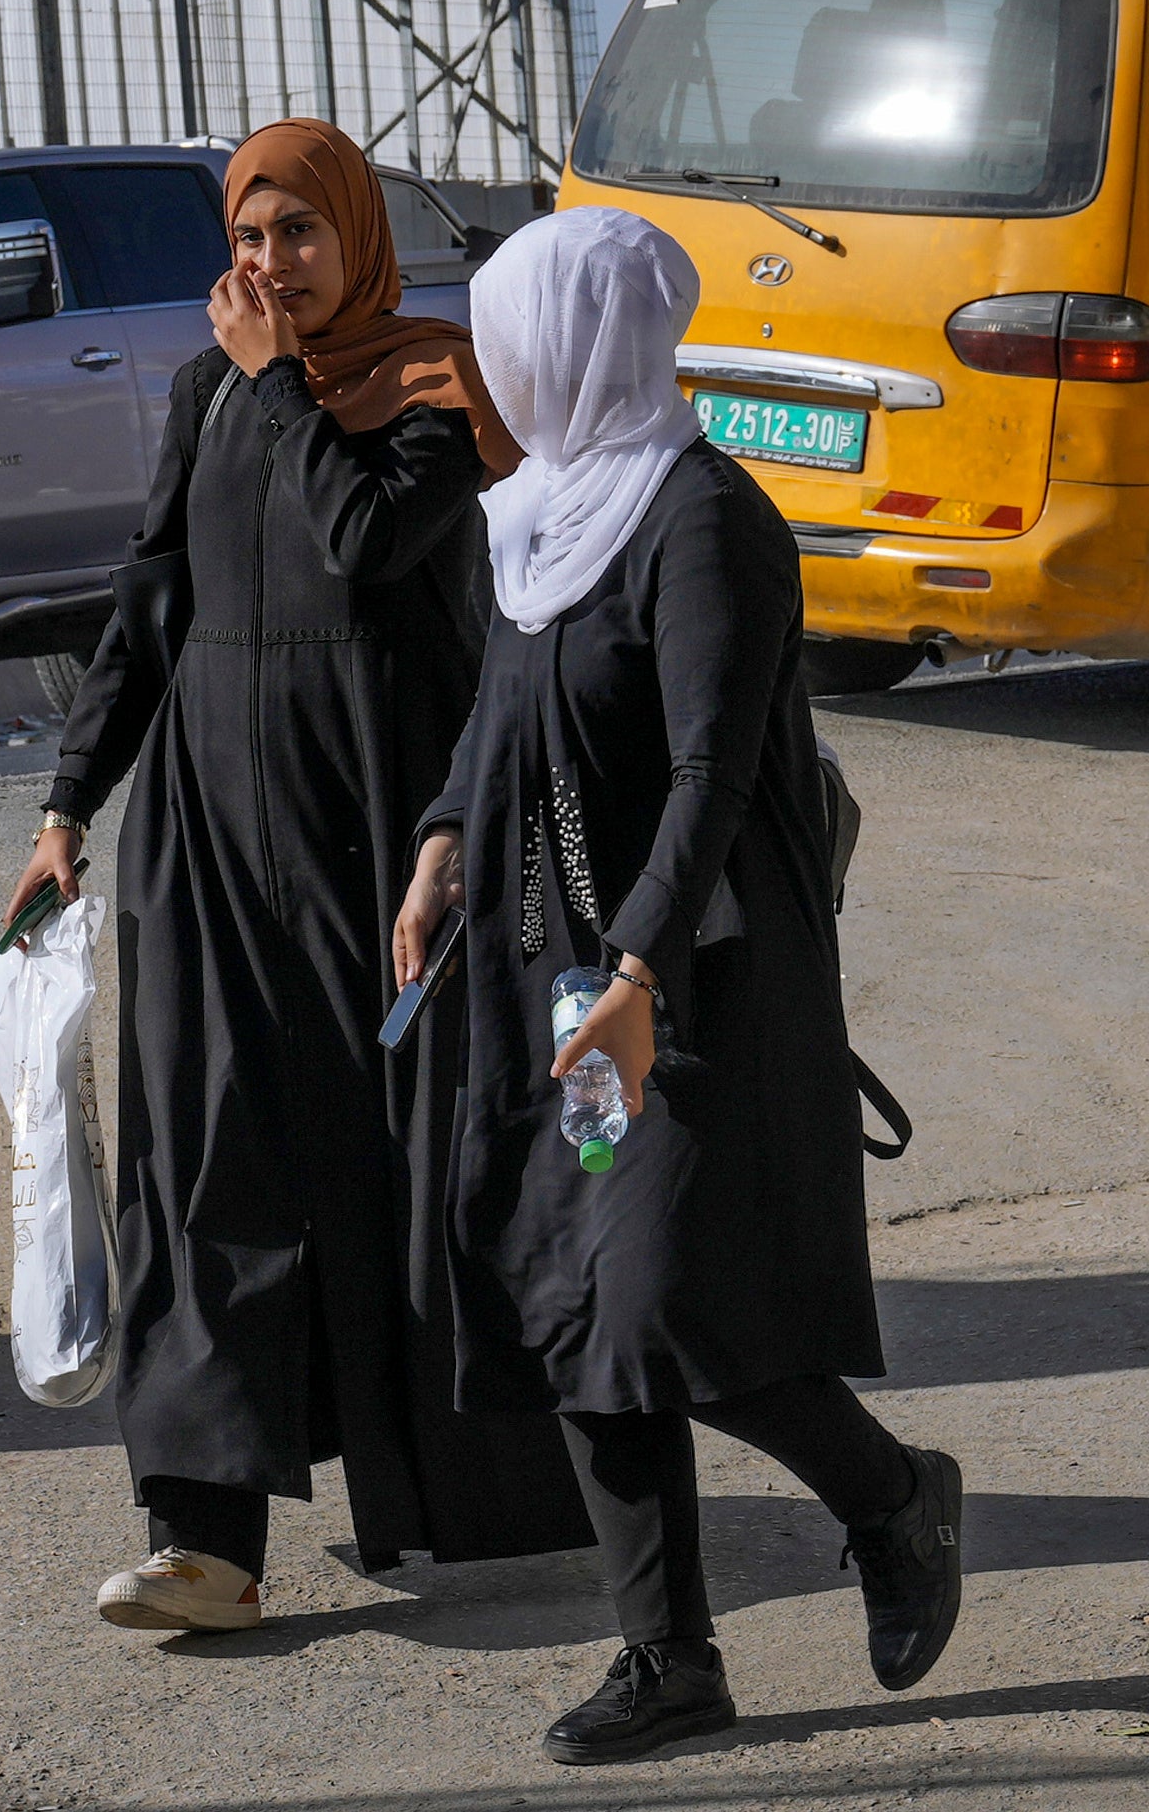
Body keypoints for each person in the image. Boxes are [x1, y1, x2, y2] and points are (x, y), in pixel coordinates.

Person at [394, 204, 963, 1761]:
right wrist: (446, 839)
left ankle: (892, 1498)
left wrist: (637, 961)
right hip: (549, 965)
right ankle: (671, 1659)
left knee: (662, 1293)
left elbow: (714, 771)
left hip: (673, 975)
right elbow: (506, 715)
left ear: (580, 347)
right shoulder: (543, 514)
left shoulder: (702, 520)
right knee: (583, 1291)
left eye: (510, 344)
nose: (491, 375)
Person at [6, 123, 585, 1633]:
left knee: (399, 1161)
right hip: (203, 842)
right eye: (249, 240)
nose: (268, 268)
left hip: (377, 833)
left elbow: (365, 543)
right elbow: (148, 601)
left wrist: (278, 386)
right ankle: (203, 1535)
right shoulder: (207, 393)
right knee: (204, 1163)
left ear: (359, 239)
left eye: (300, 238)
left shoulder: (433, 396)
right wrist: (72, 800)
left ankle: (469, 1491)